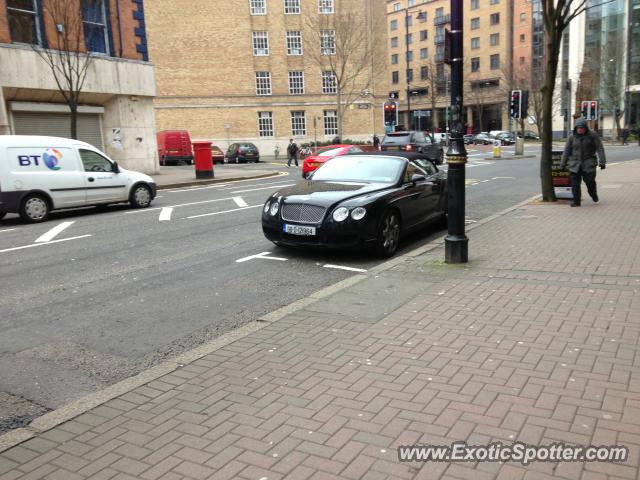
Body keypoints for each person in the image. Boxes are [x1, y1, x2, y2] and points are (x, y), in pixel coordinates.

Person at [560, 118, 606, 207]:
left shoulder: (592, 135)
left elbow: (599, 148)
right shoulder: (571, 137)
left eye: (582, 128)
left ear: (585, 128)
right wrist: (562, 163)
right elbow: (566, 151)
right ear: (576, 128)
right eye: (578, 128)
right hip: (575, 164)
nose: (580, 130)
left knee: (589, 181)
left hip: (588, 163)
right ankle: (576, 201)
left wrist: (602, 161)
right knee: (575, 184)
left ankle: (593, 194)